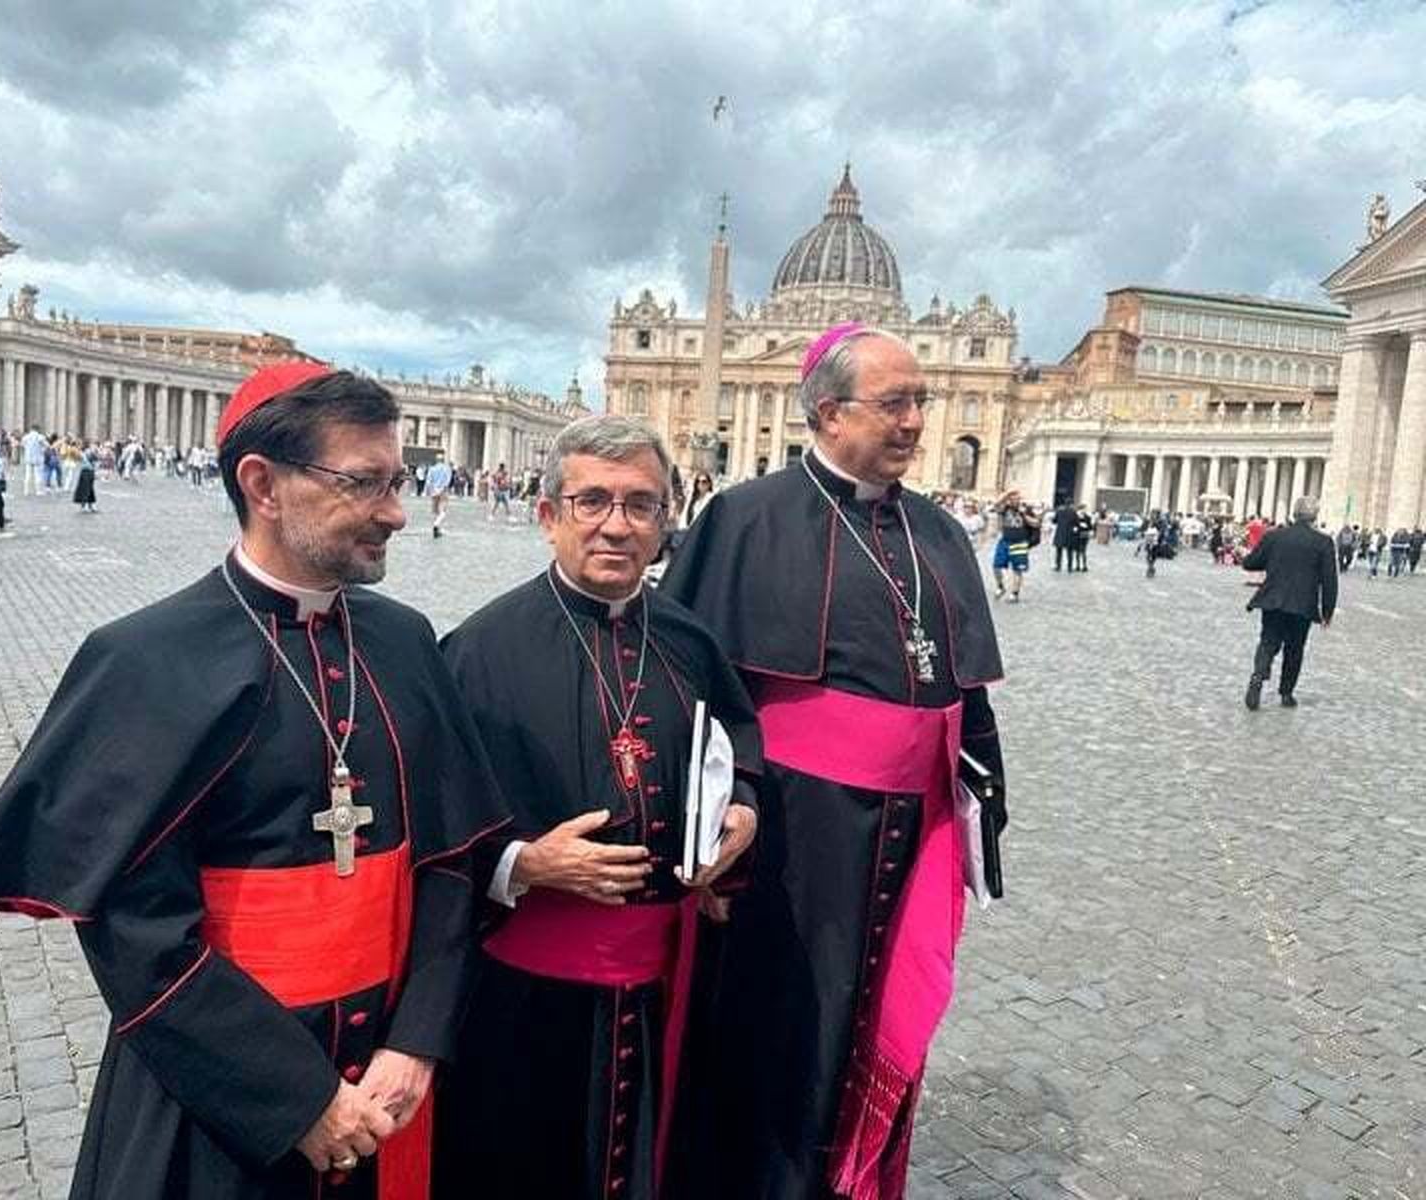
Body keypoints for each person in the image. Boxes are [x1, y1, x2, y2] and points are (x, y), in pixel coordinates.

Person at [0, 364, 508, 1199]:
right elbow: (135, 927)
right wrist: (301, 1098)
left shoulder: (406, 641)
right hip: (217, 1102)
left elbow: (451, 860)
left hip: (390, 1083)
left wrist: (417, 1037)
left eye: (399, 481)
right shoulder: (143, 659)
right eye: (366, 483)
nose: (397, 510)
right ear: (262, 485)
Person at [662, 324, 1008, 1199]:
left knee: (881, 1014)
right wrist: (704, 824)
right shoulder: (744, 519)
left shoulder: (939, 532)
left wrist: (982, 798)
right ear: (828, 412)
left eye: (920, 401)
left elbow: (967, 688)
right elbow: (692, 686)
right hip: (790, 835)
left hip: (911, 828)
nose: (917, 421)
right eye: (896, 403)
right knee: (784, 1027)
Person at [435, 415, 763, 1198]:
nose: (617, 526)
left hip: (664, 987)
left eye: (641, 505)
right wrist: (523, 862)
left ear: (664, 523)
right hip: (525, 1000)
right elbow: (433, 826)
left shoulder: (692, 643)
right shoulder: (476, 652)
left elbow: (740, 751)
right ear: (549, 516)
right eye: (593, 502)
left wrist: (743, 809)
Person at [1241, 495, 1338, 711]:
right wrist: (1327, 611)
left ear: (1294, 513)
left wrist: (1251, 558)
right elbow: (1330, 580)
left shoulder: (1274, 536)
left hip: (1273, 599)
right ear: (1315, 516)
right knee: (1294, 649)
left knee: (1268, 641)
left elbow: (1251, 563)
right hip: (1302, 606)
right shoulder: (1323, 542)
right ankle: (1286, 693)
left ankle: (1258, 675)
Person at [991, 488, 1037, 600]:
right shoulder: (1005, 509)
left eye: (1017, 499)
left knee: (1017, 569)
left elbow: (1036, 523)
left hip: (1020, 542)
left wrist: (1023, 515)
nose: (1015, 501)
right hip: (1005, 540)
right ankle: (1000, 586)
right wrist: (1007, 493)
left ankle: (1015, 593)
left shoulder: (1025, 510)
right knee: (996, 566)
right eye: (1012, 499)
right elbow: (996, 504)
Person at [424, 452, 453, 538]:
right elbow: (447, 481)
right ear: (443, 460)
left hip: (434, 491)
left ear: (436, 460)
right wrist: (444, 489)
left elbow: (428, 481)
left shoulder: (432, 469)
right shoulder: (447, 469)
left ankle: (438, 529)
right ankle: (436, 525)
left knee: (436, 511)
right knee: (443, 511)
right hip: (443, 491)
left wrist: (427, 491)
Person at [21, 424, 48, 496]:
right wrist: (42, 450)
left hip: (28, 457)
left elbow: (22, 445)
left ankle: (26, 491)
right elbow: (46, 445)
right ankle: (38, 491)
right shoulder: (40, 437)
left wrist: (27, 449)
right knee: (38, 475)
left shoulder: (26, 437)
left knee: (28, 475)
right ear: (37, 429)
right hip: (37, 458)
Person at [74, 442, 99, 512]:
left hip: (86, 472)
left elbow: (95, 460)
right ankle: (87, 505)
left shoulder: (85, 453)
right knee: (88, 489)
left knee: (87, 489)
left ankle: (88, 505)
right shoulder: (85, 453)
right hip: (88, 472)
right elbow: (95, 461)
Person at [1051, 499, 1076, 571]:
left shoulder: (1059, 511)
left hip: (1060, 533)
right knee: (1070, 552)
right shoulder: (1073, 512)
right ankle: (1069, 567)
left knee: (1059, 552)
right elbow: (1076, 522)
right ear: (1071, 504)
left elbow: (1054, 521)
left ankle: (1058, 566)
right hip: (1069, 534)